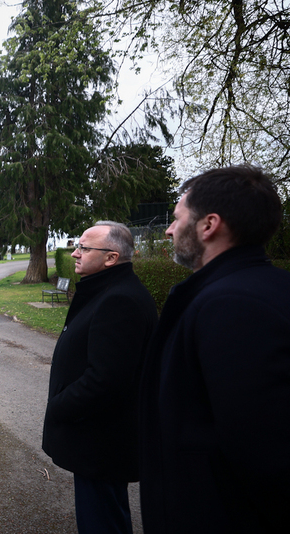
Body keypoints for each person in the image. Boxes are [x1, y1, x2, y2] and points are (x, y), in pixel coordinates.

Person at [139, 165, 290, 533]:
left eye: (177, 219)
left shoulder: (234, 306)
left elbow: (263, 455)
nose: (170, 230)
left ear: (209, 225)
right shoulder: (263, 288)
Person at [43, 221, 158, 534]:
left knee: (101, 521)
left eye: (84, 248)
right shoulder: (107, 291)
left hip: (102, 441)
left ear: (111, 258)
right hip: (101, 440)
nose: (76, 254)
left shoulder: (119, 300)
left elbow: (106, 380)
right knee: (108, 513)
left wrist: (58, 407)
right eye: (77, 246)